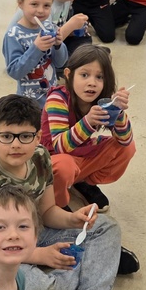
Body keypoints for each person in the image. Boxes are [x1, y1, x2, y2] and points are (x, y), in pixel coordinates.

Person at [0, 93, 139, 290]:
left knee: (107, 227)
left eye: (25, 136)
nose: (16, 144)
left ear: (37, 138)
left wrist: (73, 219)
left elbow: (46, 212)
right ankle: (97, 263)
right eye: (6, 136)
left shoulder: (41, 157)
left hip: (32, 229)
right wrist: (38, 255)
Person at [41, 45, 136, 213]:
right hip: (51, 159)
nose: (92, 83)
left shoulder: (101, 101)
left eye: (99, 77)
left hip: (79, 154)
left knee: (127, 148)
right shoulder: (58, 98)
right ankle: (57, 201)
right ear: (69, 75)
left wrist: (118, 112)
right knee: (64, 165)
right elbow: (59, 147)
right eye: (84, 75)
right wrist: (88, 121)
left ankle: (82, 182)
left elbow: (126, 140)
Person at [2, 0, 68, 108]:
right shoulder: (14, 35)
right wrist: (36, 48)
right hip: (29, 103)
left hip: (52, 98)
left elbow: (60, 63)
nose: (40, 11)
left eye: (46, 6)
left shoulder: (50, 26)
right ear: (21, 4)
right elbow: (15, 72)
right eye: (34, 4)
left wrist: (58, 45)